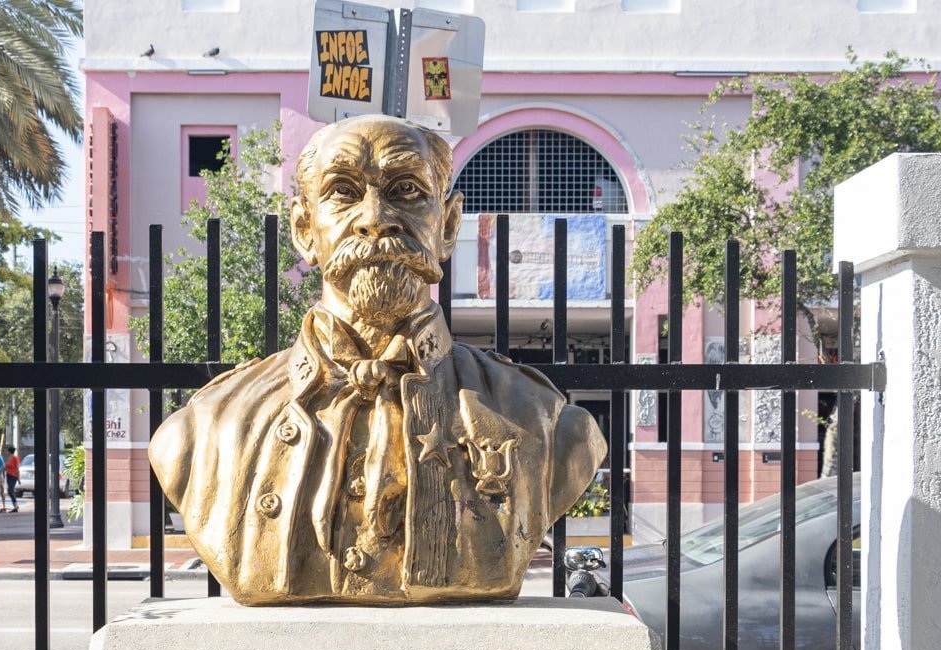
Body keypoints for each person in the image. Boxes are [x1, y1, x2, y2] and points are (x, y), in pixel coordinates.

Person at [149, 114, 605, 605]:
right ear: (305, 229)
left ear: (448, 226)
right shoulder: (202, 434)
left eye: (406, 189)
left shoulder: (548, 426)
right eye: (343, 191)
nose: (375, 217)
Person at [4, 445, 21, 513]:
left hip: (13, 476)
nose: (6, 452)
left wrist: (18, 478)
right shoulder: (8, 458)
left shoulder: (15, 458)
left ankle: (16, 506)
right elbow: (6, 466)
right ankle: (15, 506)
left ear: (10, 451)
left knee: (10, 490)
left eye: (7, 451)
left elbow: (17, 468)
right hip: (8, 475)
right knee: (10, 491)